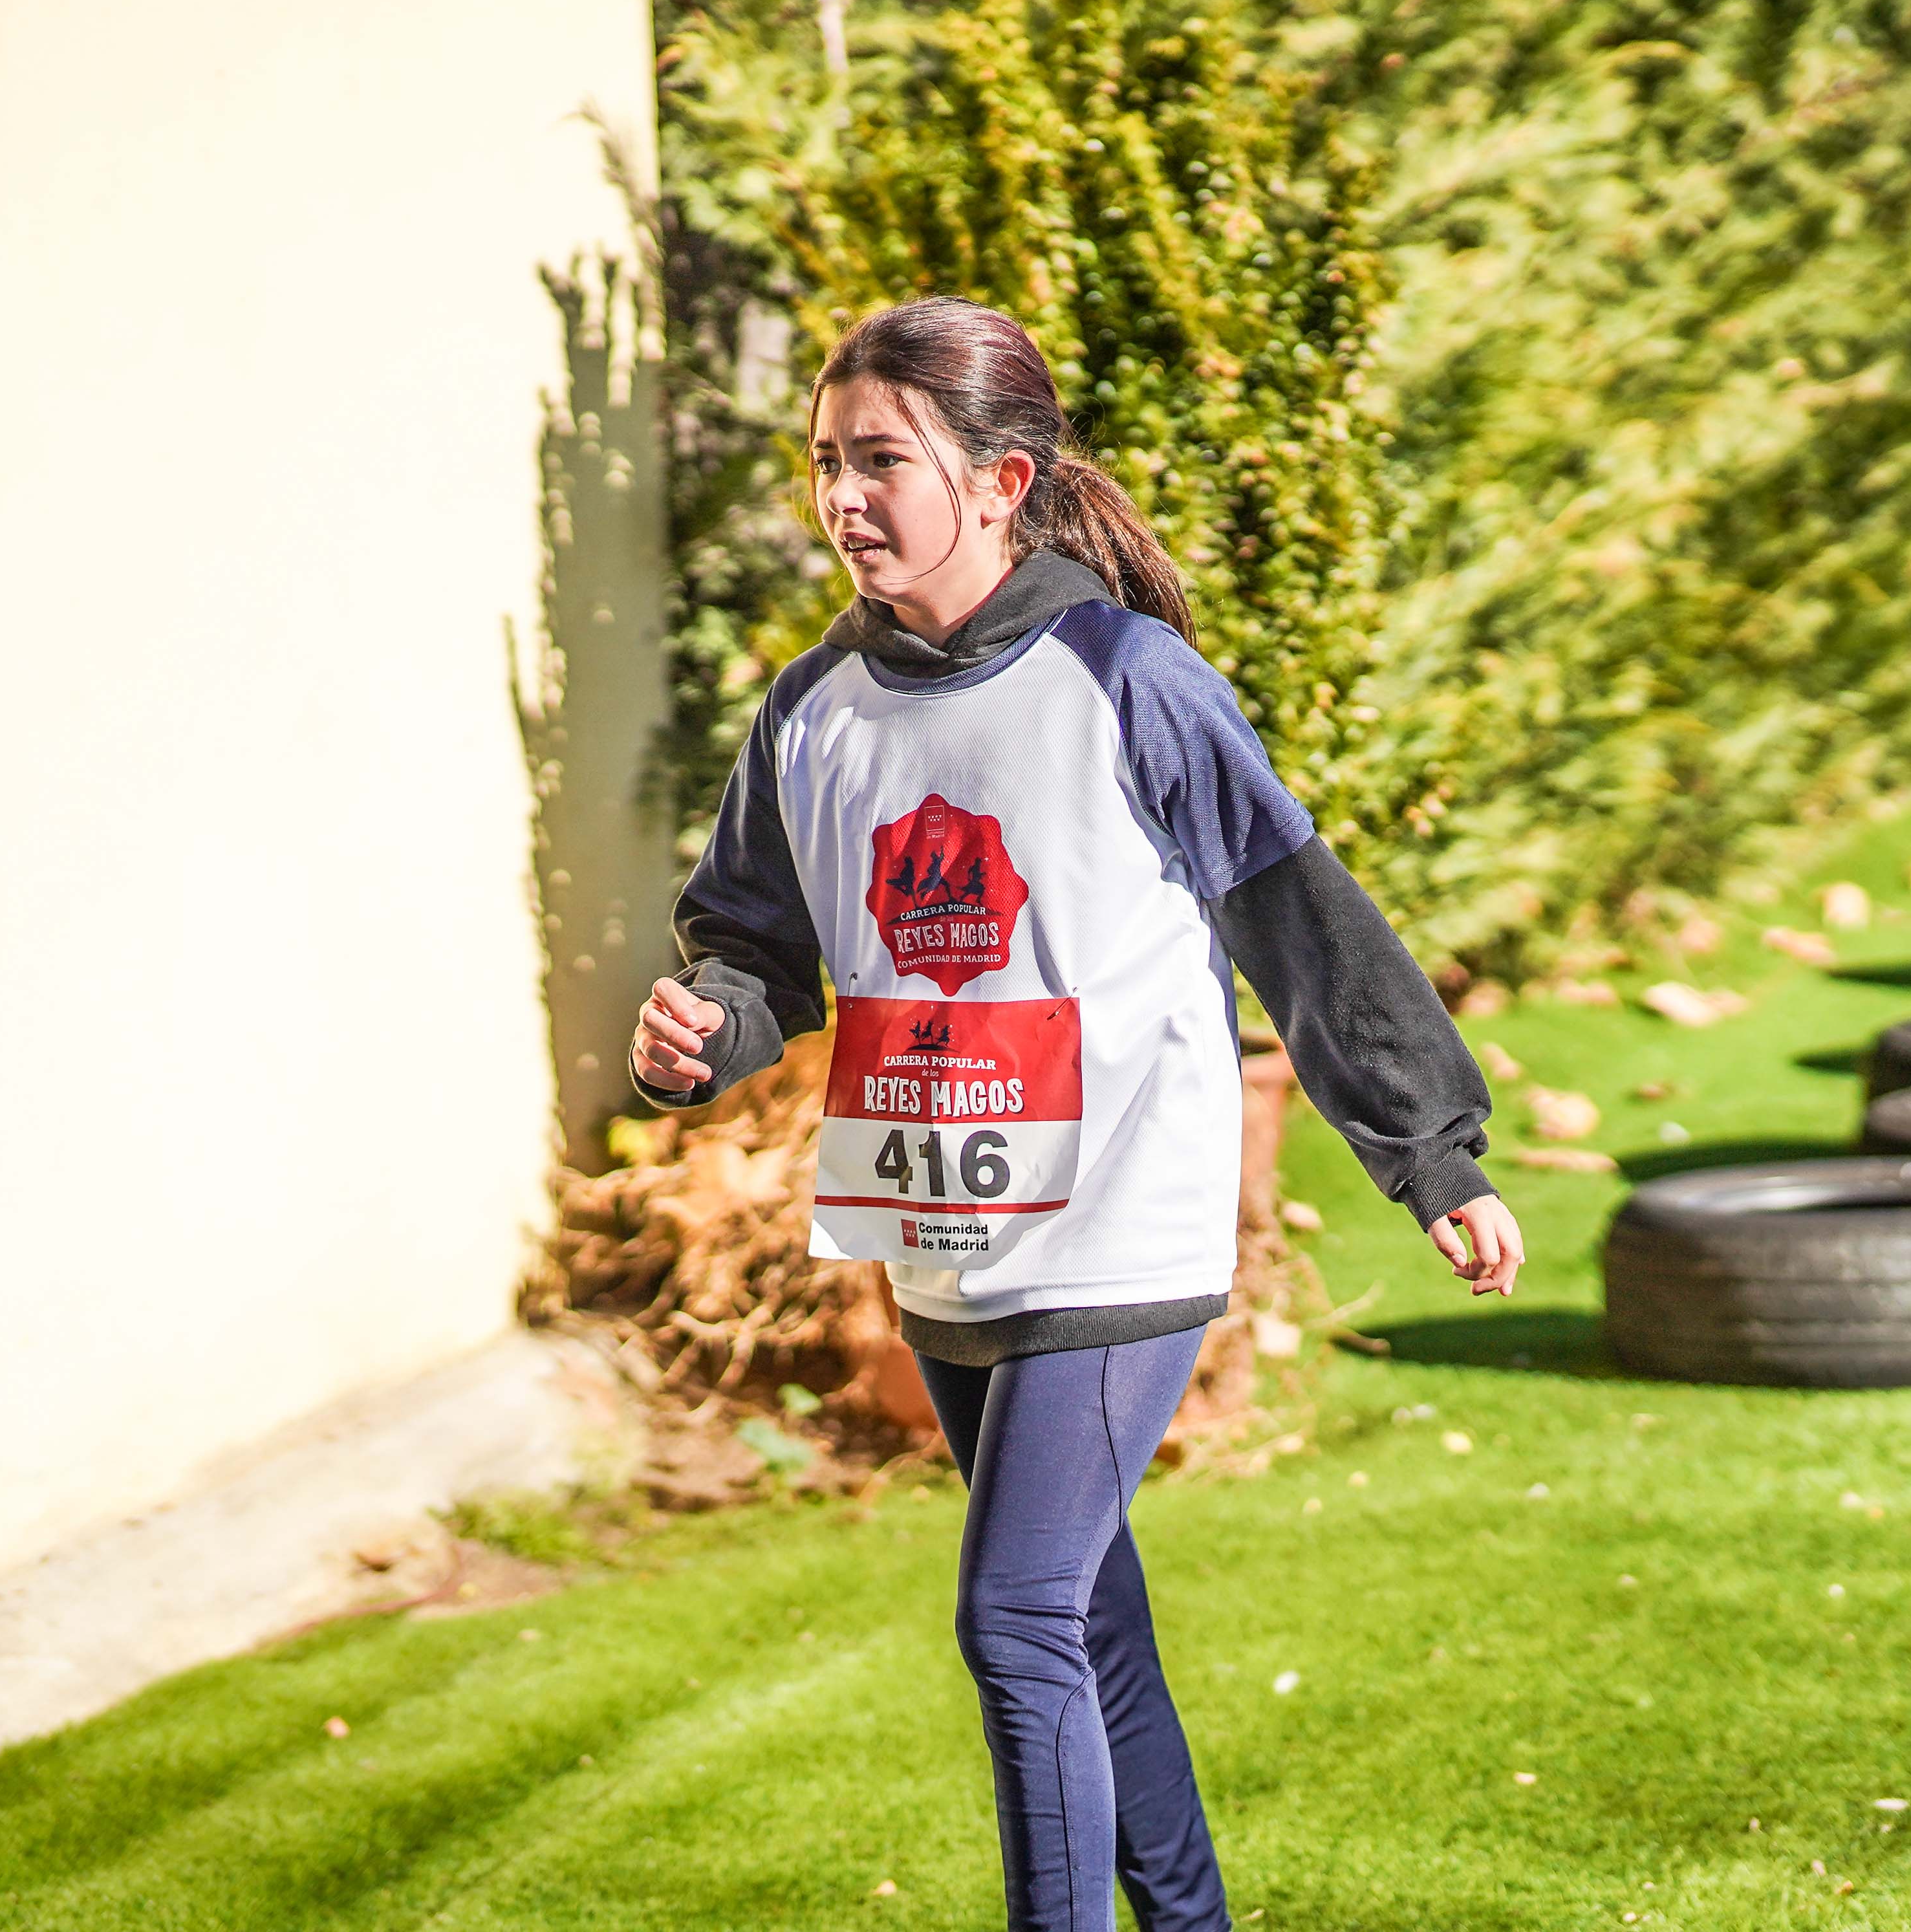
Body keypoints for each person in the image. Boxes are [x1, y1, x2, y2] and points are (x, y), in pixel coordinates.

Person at [629, 297, 1521, 1932]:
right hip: (946, 1243)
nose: (840, 496)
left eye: (881, 460)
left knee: (1017, 1617)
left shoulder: (1130, 679)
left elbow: (1296, 918)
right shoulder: (812, 705)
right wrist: (709, 1024)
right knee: (1086, 1625)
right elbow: (752, 941)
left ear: (999, 479)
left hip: (1119, 1220)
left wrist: (1429, 1151)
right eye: (825, 460)